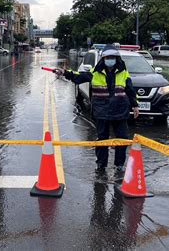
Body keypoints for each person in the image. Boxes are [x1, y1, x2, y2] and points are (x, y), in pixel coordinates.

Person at [56, 44, 139, 173]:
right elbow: (79, 77)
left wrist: (135, 106)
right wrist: (65, 73)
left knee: (122, 139)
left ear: (117, 58)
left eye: (112, 57)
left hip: (120, 111)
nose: (110, 60)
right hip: (102, 111)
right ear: (103, 59)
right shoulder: (95, 72)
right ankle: (101, 165)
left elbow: (130, 90)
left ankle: (119, 165)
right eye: (107, 57)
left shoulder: (123, 72)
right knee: (102, 140)